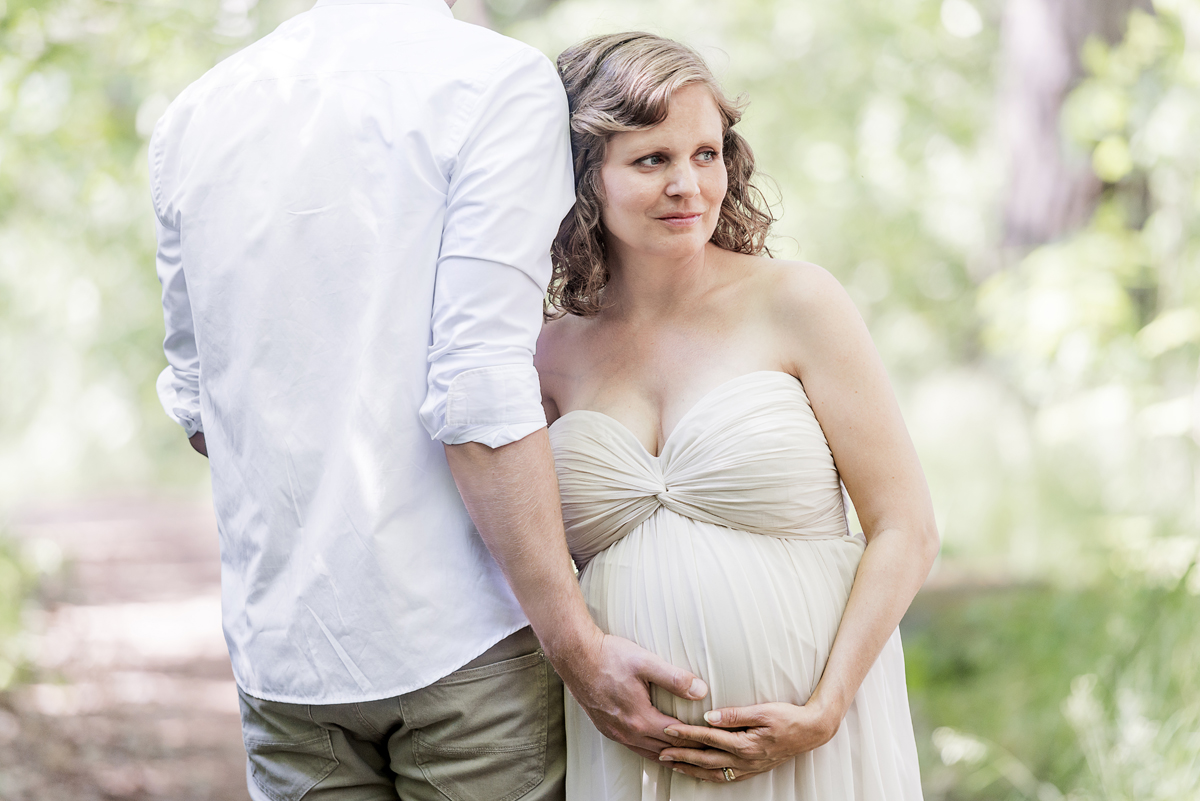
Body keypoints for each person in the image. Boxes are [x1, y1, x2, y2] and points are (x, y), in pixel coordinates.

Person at [149, 4, 710, 799]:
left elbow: (200, 406)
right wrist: (579, 646)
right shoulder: (493, 81)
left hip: (285, 652)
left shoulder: (192, 117)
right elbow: (480, 387)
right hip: (463, 639)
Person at [535, 33, 941, 799]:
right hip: (634, 752)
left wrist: (827, 708)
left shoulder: (797, 301)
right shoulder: (551, 353)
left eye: (706, 153)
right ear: (584, 179)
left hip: (817, 739)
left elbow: (907, 527)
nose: (688, 185)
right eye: (651, 159)